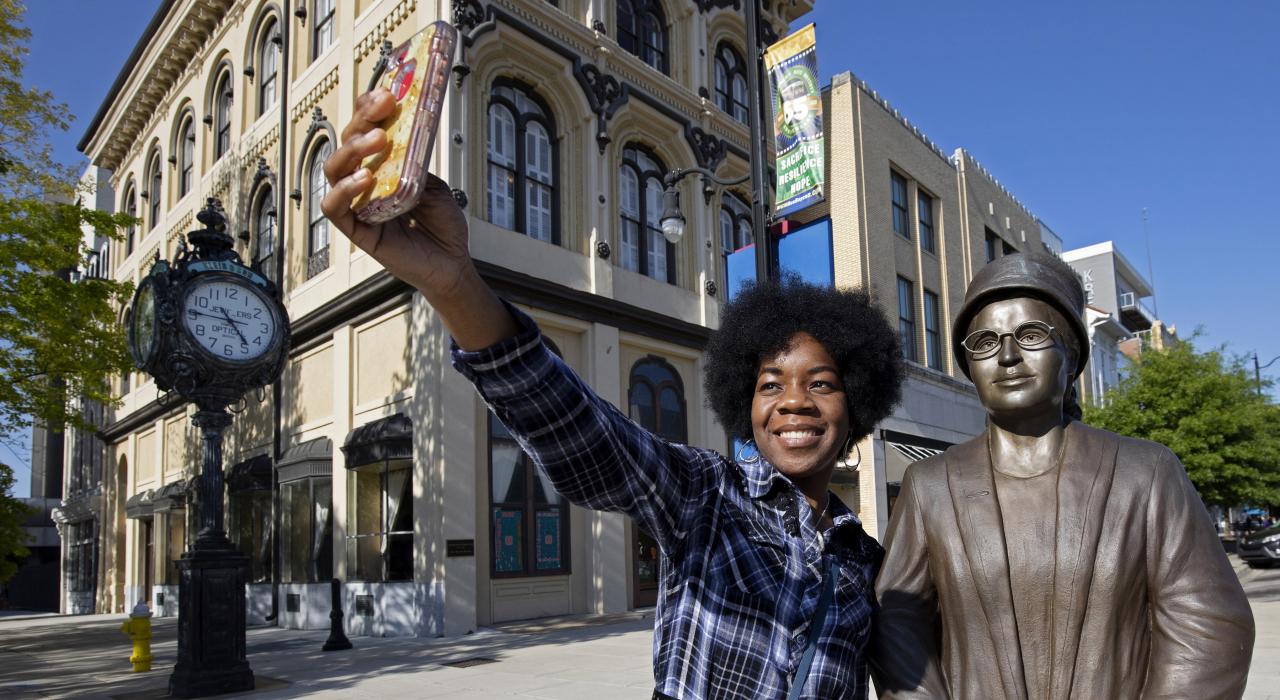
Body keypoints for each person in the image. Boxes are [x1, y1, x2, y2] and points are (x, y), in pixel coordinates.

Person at [322, 88, 906, 699]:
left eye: (821, 384)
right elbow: (583, 436)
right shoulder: (707, 497)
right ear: (747, 405)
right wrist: (454, 283)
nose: (794, 402)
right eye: (770, 384)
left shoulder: (866, 564)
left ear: (856, 403)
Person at [871, 252, 1255, 699]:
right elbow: (896, 622)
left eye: (1031, 334)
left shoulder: (1146, 474)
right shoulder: (930, 487)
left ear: (1071, 356)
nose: (1008, 356)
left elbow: (1209, 624)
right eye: (985, 342)